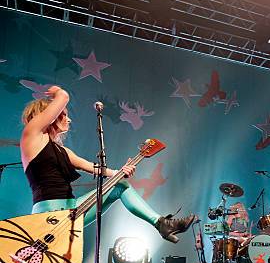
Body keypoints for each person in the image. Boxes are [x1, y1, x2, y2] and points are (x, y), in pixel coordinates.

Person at [20, 85, 195, 245]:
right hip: (48, 213)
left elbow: (95, 168)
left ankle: (161, 223)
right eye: (64, 114)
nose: (68, 119)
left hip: (71, 209)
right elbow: (64, 96)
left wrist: (119, 172)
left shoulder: (63, 151)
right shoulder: (32, 136)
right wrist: (57, 91)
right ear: (48, 115)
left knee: (120, 185)